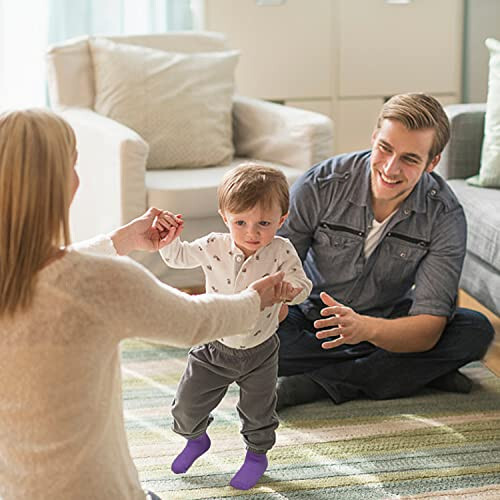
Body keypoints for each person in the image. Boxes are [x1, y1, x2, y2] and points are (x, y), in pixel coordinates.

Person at [0, 109, 286, 500]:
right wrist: (257, 298)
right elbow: (196, 322)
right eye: (74, 165)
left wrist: (120, 240)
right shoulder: (102, 283)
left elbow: (44, 267)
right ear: (62, 185)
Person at [276, 93, 495, 410]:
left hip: (389, 322)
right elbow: (273, 269)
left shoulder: (445, 216)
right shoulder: (320, 185)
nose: (390, 169)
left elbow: (429, 325)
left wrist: (364, 328)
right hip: (313, 319)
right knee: (264, 341)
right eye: (385, 149)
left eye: (410, 159)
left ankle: (318, 383)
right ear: (374, 138)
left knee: (474, 331)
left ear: (432, 163)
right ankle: (414, 372)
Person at [154, 164, 312, 490]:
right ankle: (195, 440)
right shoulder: (213, 245)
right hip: (213, 346)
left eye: (264, 224)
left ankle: (257, 456)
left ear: (281, 220)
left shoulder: (281, 251)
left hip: (260, 351)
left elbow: (303, 284)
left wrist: (291, 292)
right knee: (185, 407)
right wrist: (169, 239)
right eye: (241, 222)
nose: (252, 233)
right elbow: (178, 258)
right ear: (225, 217)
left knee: (259, 413)